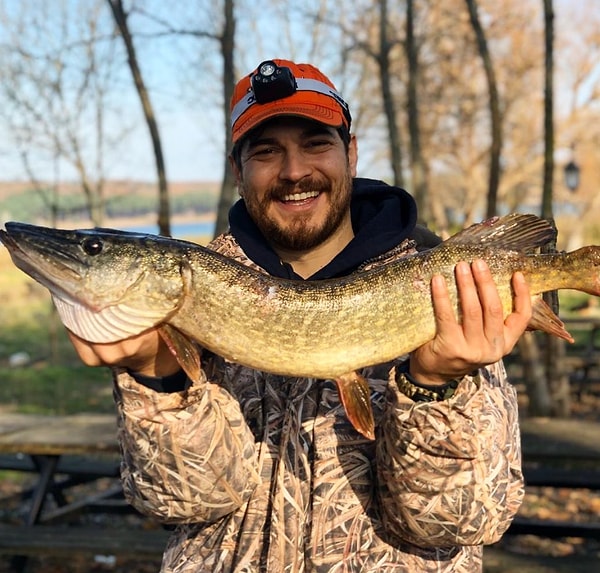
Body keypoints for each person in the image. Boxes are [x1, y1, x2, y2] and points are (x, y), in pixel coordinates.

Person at [68, 59, 531, 572]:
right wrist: (158, 379)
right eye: (266, 152)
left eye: (316, 143)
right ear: (237, 171)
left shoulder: (438, 283)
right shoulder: (193, 299)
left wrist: (437, 387)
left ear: (350, 153)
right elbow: (185, 503)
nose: (293, 172)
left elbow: (462, 523)